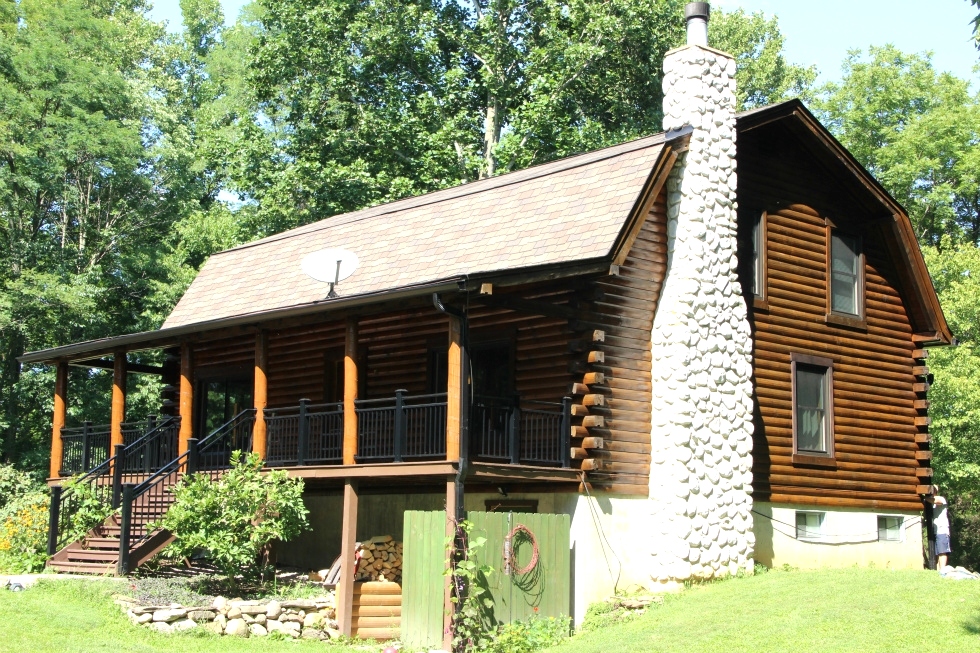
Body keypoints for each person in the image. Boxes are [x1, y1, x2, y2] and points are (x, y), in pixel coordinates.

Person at [927, 495, 951, 570]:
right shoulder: (930, 503)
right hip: (935, 531)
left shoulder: (941, 499)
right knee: (937, 554)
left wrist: (924, 498)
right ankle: (938, 572)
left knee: (942, 552)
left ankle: (943, 570)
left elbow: (936, 501)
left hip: (942, 531)